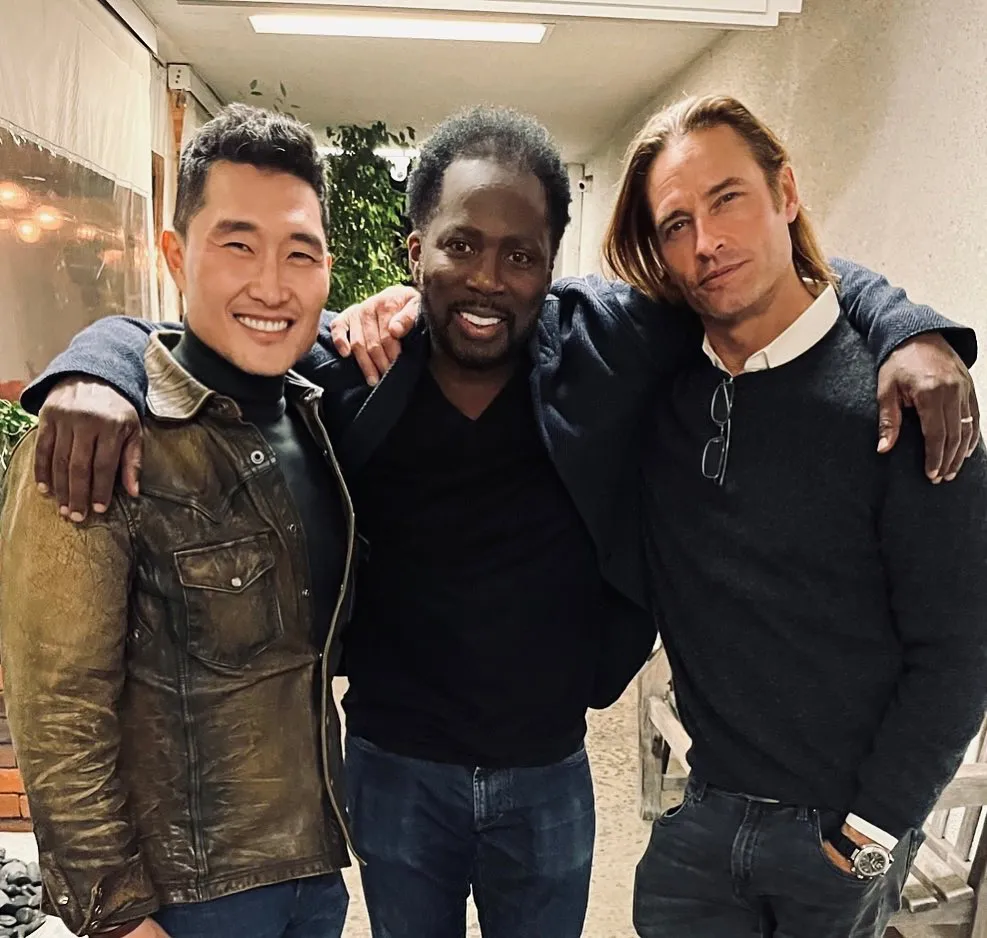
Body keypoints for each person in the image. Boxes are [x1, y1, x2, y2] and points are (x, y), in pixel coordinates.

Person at [18, 106, 980, 938]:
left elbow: (750, 275)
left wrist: (906, 324)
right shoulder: (348, 372)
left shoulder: (608, 347)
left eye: (521, 255)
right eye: (460, 246)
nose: (488, 278)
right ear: (414, 252)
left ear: (551, 263)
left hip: (548, 769)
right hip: (394, 769)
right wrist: (96, 358)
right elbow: (205, 344)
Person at [600, 93, 987, 938]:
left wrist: (871, 841)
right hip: (700, 824)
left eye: (727, 199)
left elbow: (958, 654)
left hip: (841, 835)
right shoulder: (661, 390)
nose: (706, 242)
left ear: (784, 191)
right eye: (676, 224)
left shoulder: (905, 403)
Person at [0, 105, 356, 938]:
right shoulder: (97, 438)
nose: (271, 285)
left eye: (298, 252)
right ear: (173, 255)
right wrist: (117, 916)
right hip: (184, 899)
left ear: (325, 270)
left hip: (314, 874)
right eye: (237, 245)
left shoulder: (321, 417)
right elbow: (58, 709)